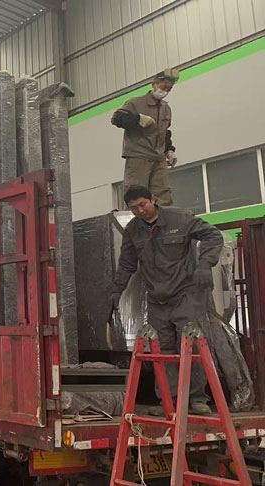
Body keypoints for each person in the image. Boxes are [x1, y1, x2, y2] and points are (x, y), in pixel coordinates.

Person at [111, 186, 224, 416]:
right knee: (162, 350)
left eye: (142, 205)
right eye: (133, 208)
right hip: (157, 299)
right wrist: (116, 291)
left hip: (185, 294)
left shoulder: (179, 218)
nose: (139, 211)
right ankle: (168, 400)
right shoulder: (133, 230)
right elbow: (127, 264)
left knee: (192, 346)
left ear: (153, 199)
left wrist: (205, 264)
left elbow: (213, 235)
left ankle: (197, 399)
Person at [111, 68, 180, 206]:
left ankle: (162, 219)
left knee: (163, 195)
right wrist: (137, 119)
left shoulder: (166, 109)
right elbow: (116, 119)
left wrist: (169, 150)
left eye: (169, 89)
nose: (165, 91)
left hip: (158, 158)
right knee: (137, 194)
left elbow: (164, 132)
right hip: (139, 156)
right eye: (163, 87)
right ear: (154, 84)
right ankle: (138, 219)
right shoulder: (135, 103)